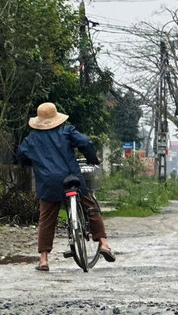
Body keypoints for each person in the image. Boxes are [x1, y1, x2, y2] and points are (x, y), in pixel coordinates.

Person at [16, 102, 115, 272]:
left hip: (48, 182)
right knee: (90, 206)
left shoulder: (31, 138)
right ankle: (104, 243)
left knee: (46, 218)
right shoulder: (66, 130)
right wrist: (92, 159)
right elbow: (84, 142)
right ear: (56, 117)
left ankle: (44, 259)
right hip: (71, 177)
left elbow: (21, 156)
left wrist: (36, 162)